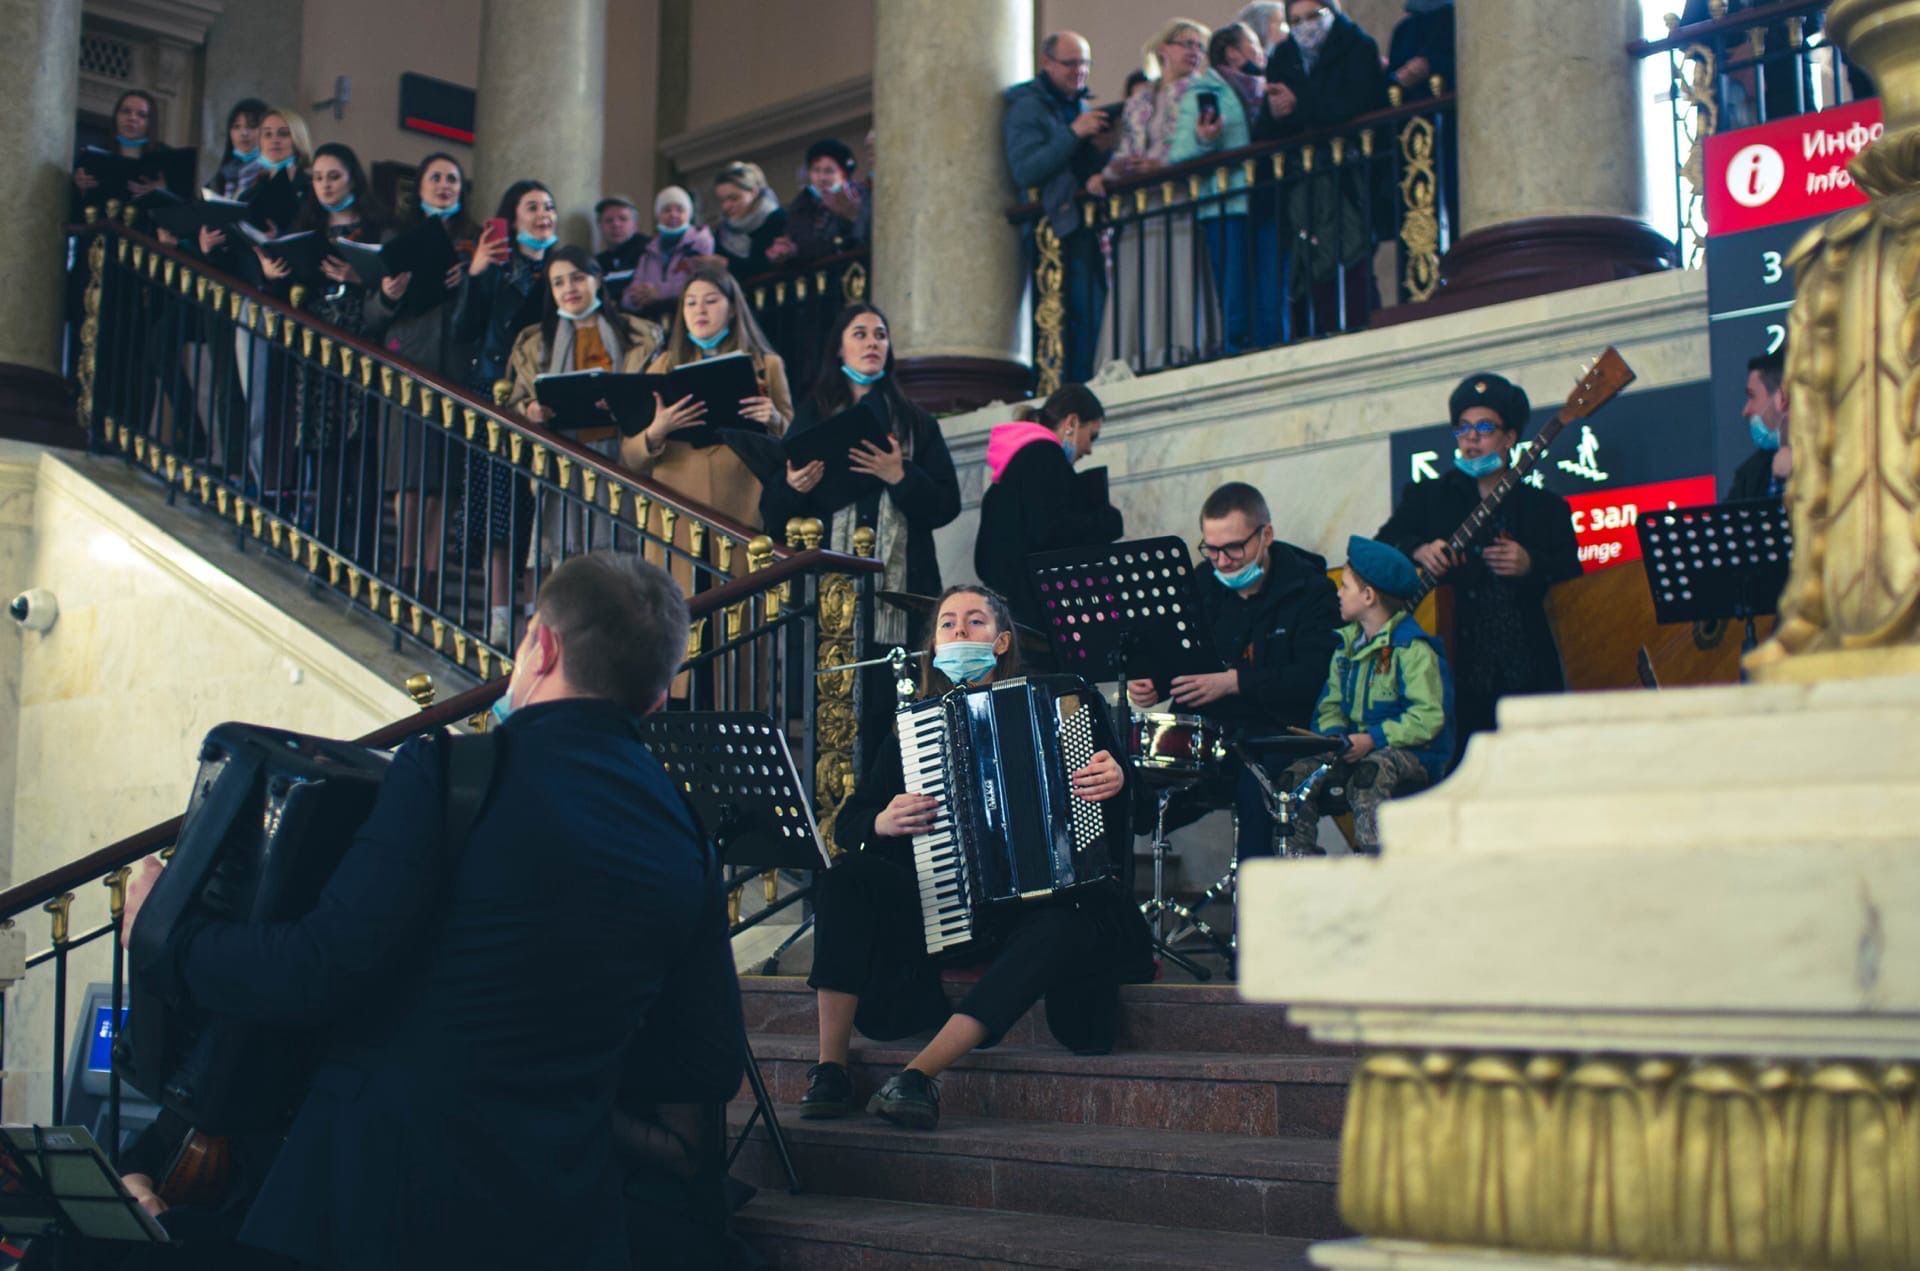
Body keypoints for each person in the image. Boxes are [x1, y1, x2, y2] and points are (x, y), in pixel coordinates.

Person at [118, 552, 739, 1271]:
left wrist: (168, 936)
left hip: (380, 1204)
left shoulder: (453, 773)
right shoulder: (685, 833)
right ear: (656, 697)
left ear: (542, 645)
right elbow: (707, 1060)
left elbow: (322, 969)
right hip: (557, 1218)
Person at [799, 585, 1151, 1131]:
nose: (960, 632)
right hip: (949, 906)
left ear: (1002, 640)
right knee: (847, 878)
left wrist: (1121, 778)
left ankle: (919, 1076)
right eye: (948, 624)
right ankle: (830, 1070)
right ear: (933, 648)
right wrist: (879, 820)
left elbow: (1138, 806)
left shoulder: (1063, 703)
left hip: (1045, 906)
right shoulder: (914, 729)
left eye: (975, 622)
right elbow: (851, 821)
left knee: (1062, 925)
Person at [1126, 481, 1339, 860]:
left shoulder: (1310, 589)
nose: (1222, 561)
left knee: (1255, 792)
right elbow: (1175, 654)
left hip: (1276, 736)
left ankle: (1255, 912)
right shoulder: (1200, 584)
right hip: (1205, 736)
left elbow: (1311, 677)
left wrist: (1235, 682)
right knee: (1121, 790)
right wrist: (1152, 686)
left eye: (1233, 549)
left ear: (1265, 535)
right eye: (1211, 549)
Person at [1377, 372, 1580, 759]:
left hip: (1529, 675)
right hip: (1453, 675)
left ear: (1509, 437)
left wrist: (1530, 564)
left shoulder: (1547, 509)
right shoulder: (1428, 497)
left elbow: (1575, 581)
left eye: (1484, 428)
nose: (1471, 438)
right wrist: (1418, 549)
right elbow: (1382, 549)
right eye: (1463, 428)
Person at [760, 303, 958, 645]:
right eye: (860, 334)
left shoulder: (915, 422)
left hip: (905, 588)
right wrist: (793, 486)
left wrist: (900, 476)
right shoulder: (813, 414)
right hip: (825, 592)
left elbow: (946, 505)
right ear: (839, 348)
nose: (872, 343)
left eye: (880, 336)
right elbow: (773, 513)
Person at [1280, 536, 1453, 856]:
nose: (1339, 593)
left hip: (1412, 755)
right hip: (1356, 749)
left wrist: (1373, 739)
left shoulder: (1413, 650)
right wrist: (1334, 739)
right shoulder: (1345, 647)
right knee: (1294, 780)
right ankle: (1298, 867)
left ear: (1369, 596)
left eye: (1345, 586)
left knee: (1369, 775)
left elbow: (1428, 718)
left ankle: (1375, 868)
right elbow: (1330, 705)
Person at [363, 152, 479, 606]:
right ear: (421, 186)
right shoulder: (396, 236)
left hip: (454, 368)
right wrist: (388, 296)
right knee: (408, 479)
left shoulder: (472, 240)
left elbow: (481, 305)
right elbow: (370, 313)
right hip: (408, 364)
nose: (445, 185)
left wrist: (469, 277)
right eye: (436, 177)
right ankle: (405, 569)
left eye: (452, 179)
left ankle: (430, 577)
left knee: (442, 484)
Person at [618, 267, 792, 545]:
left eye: (711, 301)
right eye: (690, 302)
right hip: (678, 505)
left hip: (743, 501)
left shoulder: (767, 364)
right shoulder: (662, 366)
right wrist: (656, 431)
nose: (700, 310)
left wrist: (773, 419)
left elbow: (792, 442)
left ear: (733, 309)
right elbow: (631, 456)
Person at [455, 178, 556, 647]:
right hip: (497, 394)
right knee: (500, 512)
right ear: (512, 219)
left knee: (541, 518)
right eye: (532, 207)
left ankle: (539, 621)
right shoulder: (496, 266)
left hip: (546, 396)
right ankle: (498, 618)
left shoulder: (564, 268)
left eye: (549, 207)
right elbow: (465, 330)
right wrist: (476, 275)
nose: (543, 214)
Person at [1257, 0, 1390, 337]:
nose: (1305, 26)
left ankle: (1359, 327)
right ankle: (1317, 332)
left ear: (1332, 12)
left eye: (1313, 16)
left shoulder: (1357, 46)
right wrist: (1275, 111)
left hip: (1349, 173)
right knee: (1310, 260)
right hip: (1302, 178)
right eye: (1296, 20)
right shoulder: (1283, 57)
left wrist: (1299, 105)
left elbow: (1354, 103)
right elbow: (1266, 128)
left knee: (1350, 252)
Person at [1002, 30, 1117, 385]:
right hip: (1053, 230)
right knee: (1067, 317)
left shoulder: (1081, 105)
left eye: (1085, 63)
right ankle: (1063, 388)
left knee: (1093, 311)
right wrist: (1074, 132)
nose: (1079, 71)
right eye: (1070, 63)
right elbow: (1025, 168)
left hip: (1083, 224)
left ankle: (1085, 383)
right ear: (1046, 63)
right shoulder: (1027, 107)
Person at [1100, 19, 1212, 371]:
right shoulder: (1140, 99)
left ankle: (1179, 347)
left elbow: (1197, 145)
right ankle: (1136, 352)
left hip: (1178, 196)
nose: (1193, 52)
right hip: (1142, 202)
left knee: (1177, 266)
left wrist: (1160, 165)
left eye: (1199, 46)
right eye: (1186, 44)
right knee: (1141, 272)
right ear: (1163, 49)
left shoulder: (1200, 91)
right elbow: (1126, 147)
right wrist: (1109, 173)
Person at [973, 383, 1122, 637]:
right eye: (1092, 435)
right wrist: (1109, 521)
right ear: (1072, 422)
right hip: (1033, 613)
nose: (1089, 449)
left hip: (1011, 606)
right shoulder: (1045, 454)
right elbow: (1051, 531)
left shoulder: (1019, 457)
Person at [1171, 24, 1275, 357]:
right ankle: (1237, 347)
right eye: (1253, 45)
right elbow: (1179, 154)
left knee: (1267, 278)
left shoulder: (1262, 88)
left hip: (1262, 195)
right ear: (1232, 52)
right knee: (1234, 285)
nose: (1259, 52)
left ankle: (1271, 340)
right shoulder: (1206, 90)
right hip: (1225, 201)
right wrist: (1205, 138)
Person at [506, 245, 665, 454]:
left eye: (578, 278)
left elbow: (657, 397)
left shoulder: (640, 335)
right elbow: (513, 406)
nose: (569, 289)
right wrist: (530, 411)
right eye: (558, 283)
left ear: (598, 280)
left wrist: (625, 403)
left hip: (628, 454)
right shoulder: (534, 345)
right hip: (560, 460)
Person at [620, 186, 713, 319]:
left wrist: (659, 292)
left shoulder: (702, 243)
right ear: (658, 215)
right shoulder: (649, 251)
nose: (673, 214)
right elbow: (629, 295)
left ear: (689, 214)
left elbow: (702, 285)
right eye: (666, 210)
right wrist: (636, 297)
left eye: (679, 210)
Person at [784, 138, 870, 263]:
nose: (822, 178)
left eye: (829, 171)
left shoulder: (863, 198)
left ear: (844, 174)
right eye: (816, 170)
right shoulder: (800, 207)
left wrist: (852, 216)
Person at [1728, 346, 1791, 501]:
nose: (1746, 411)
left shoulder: (1844, 461)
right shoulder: (1749, 475)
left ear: (1782, 398)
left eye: (1752, 396)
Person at [709, 161, 789, 277]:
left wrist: (727, 265)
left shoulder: (778, 220)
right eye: (722, 201)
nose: (726, 206)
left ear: (753, 192)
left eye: (734, 198)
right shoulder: (722, 235)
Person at [208, 97, 270, 200]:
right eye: (236, 126)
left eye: (252, 126)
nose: (244, 133)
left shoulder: (272, 176)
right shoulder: (219, 179)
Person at [594, 195, 646, 277]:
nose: (616, 224)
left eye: (623, 219)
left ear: (635, 225)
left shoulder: (650, 253)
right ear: (600, 227)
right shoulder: (597, 264)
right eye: (609, 220)